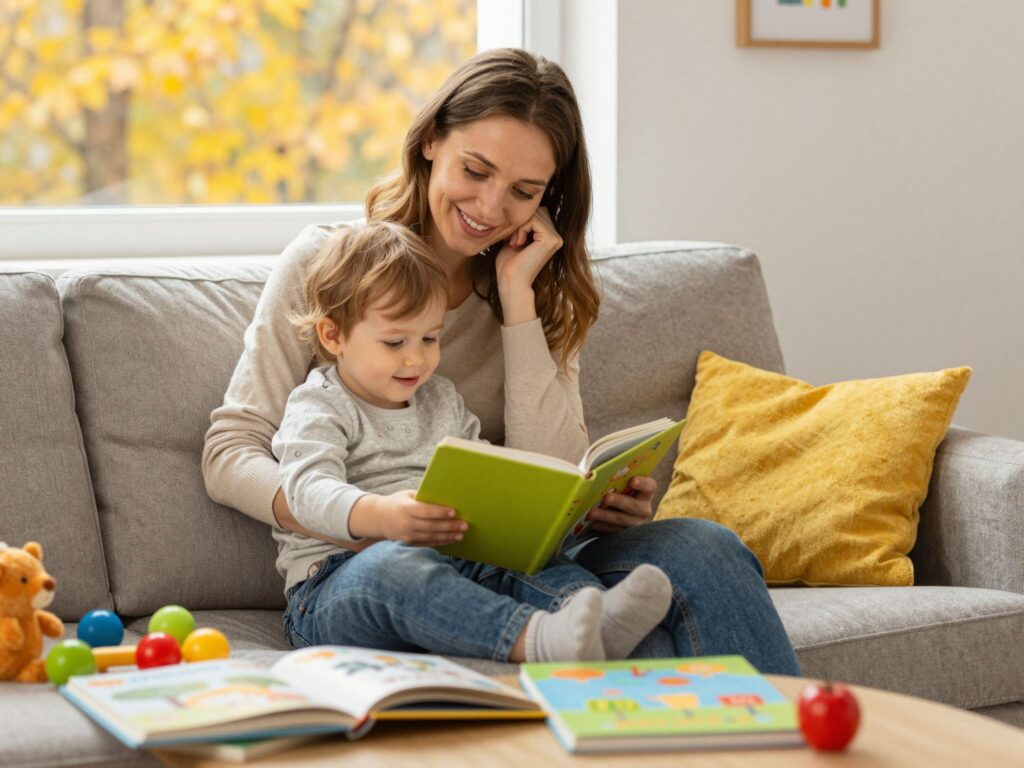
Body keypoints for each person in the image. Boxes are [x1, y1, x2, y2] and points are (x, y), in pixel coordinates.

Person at [203, 48, 800, 674]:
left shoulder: (542, 291)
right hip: (370, 562)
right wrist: (370, 517)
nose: (490, 208)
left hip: (502, 559)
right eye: (476, 170)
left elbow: (550, 467)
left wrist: (519, 301)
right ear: (432, 140)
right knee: (413, 572)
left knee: (703, 546)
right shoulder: (334, 268)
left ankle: (783, 737)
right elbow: (231, 452)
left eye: (523, 191)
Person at [272, 220, 673, 663]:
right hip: (335, 584)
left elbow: (483, 474)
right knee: (396, 567)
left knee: (530, 565)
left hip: (455, 564)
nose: (415, 357)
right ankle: (534, 640)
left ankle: (591, 616)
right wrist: (382, 516)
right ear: (334, 336)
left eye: (430, 337)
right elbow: (305, 490)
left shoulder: (441, 398)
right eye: (394, 341)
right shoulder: (319, 403)